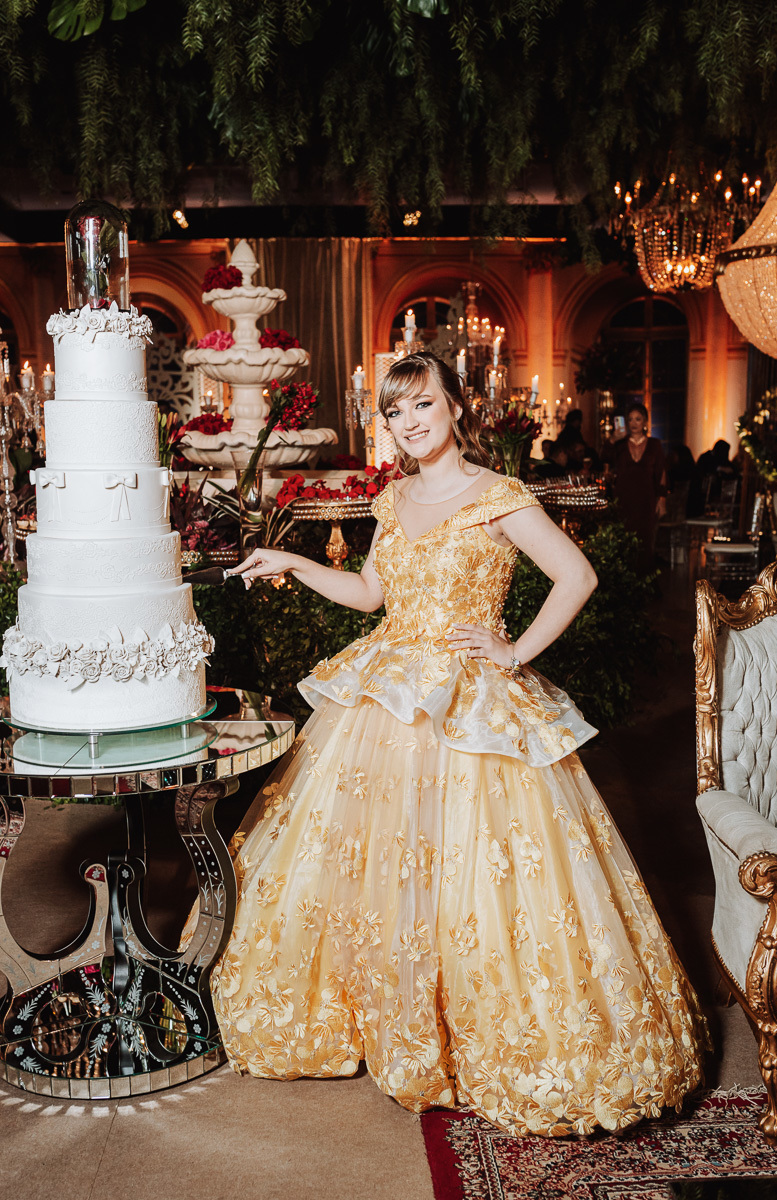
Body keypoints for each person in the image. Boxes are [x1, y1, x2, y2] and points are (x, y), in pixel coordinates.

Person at [187, 351, 705, 1137]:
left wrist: (514, 651)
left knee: (476, 868)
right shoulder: (392, 498)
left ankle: (475, 1029)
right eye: (395, 412)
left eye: (422, 404)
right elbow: (371, 594)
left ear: (456, 407)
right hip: (386, 699)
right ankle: (378, 1017)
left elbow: (576, 576)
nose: (409, 422)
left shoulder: (499, 495)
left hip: (470, 706)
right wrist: (293, 561)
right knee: (371, 866)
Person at [605, 402, 666, 561]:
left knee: (645, 539)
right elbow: (604, 458)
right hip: (623, 498)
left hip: (646, 499)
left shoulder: (655, 445)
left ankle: (645, 574)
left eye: (638, 419)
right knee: (624, 539)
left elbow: (661, 472)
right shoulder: (620, 444)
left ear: (645, 421)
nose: (634, 423)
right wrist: (612, 439)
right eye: (630, 419)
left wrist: (662, 499)